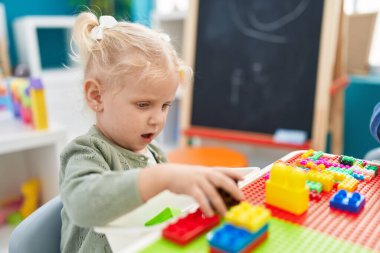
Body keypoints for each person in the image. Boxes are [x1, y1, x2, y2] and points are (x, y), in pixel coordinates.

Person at [60, 12, 244, 253]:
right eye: (143, 105)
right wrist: (161, 178)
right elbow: (81, 204)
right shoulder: (87, 151)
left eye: (165, 105)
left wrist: (200, 183)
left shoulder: (154, 152)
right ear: (96, 96)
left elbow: (165, 205)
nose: (158, 120)